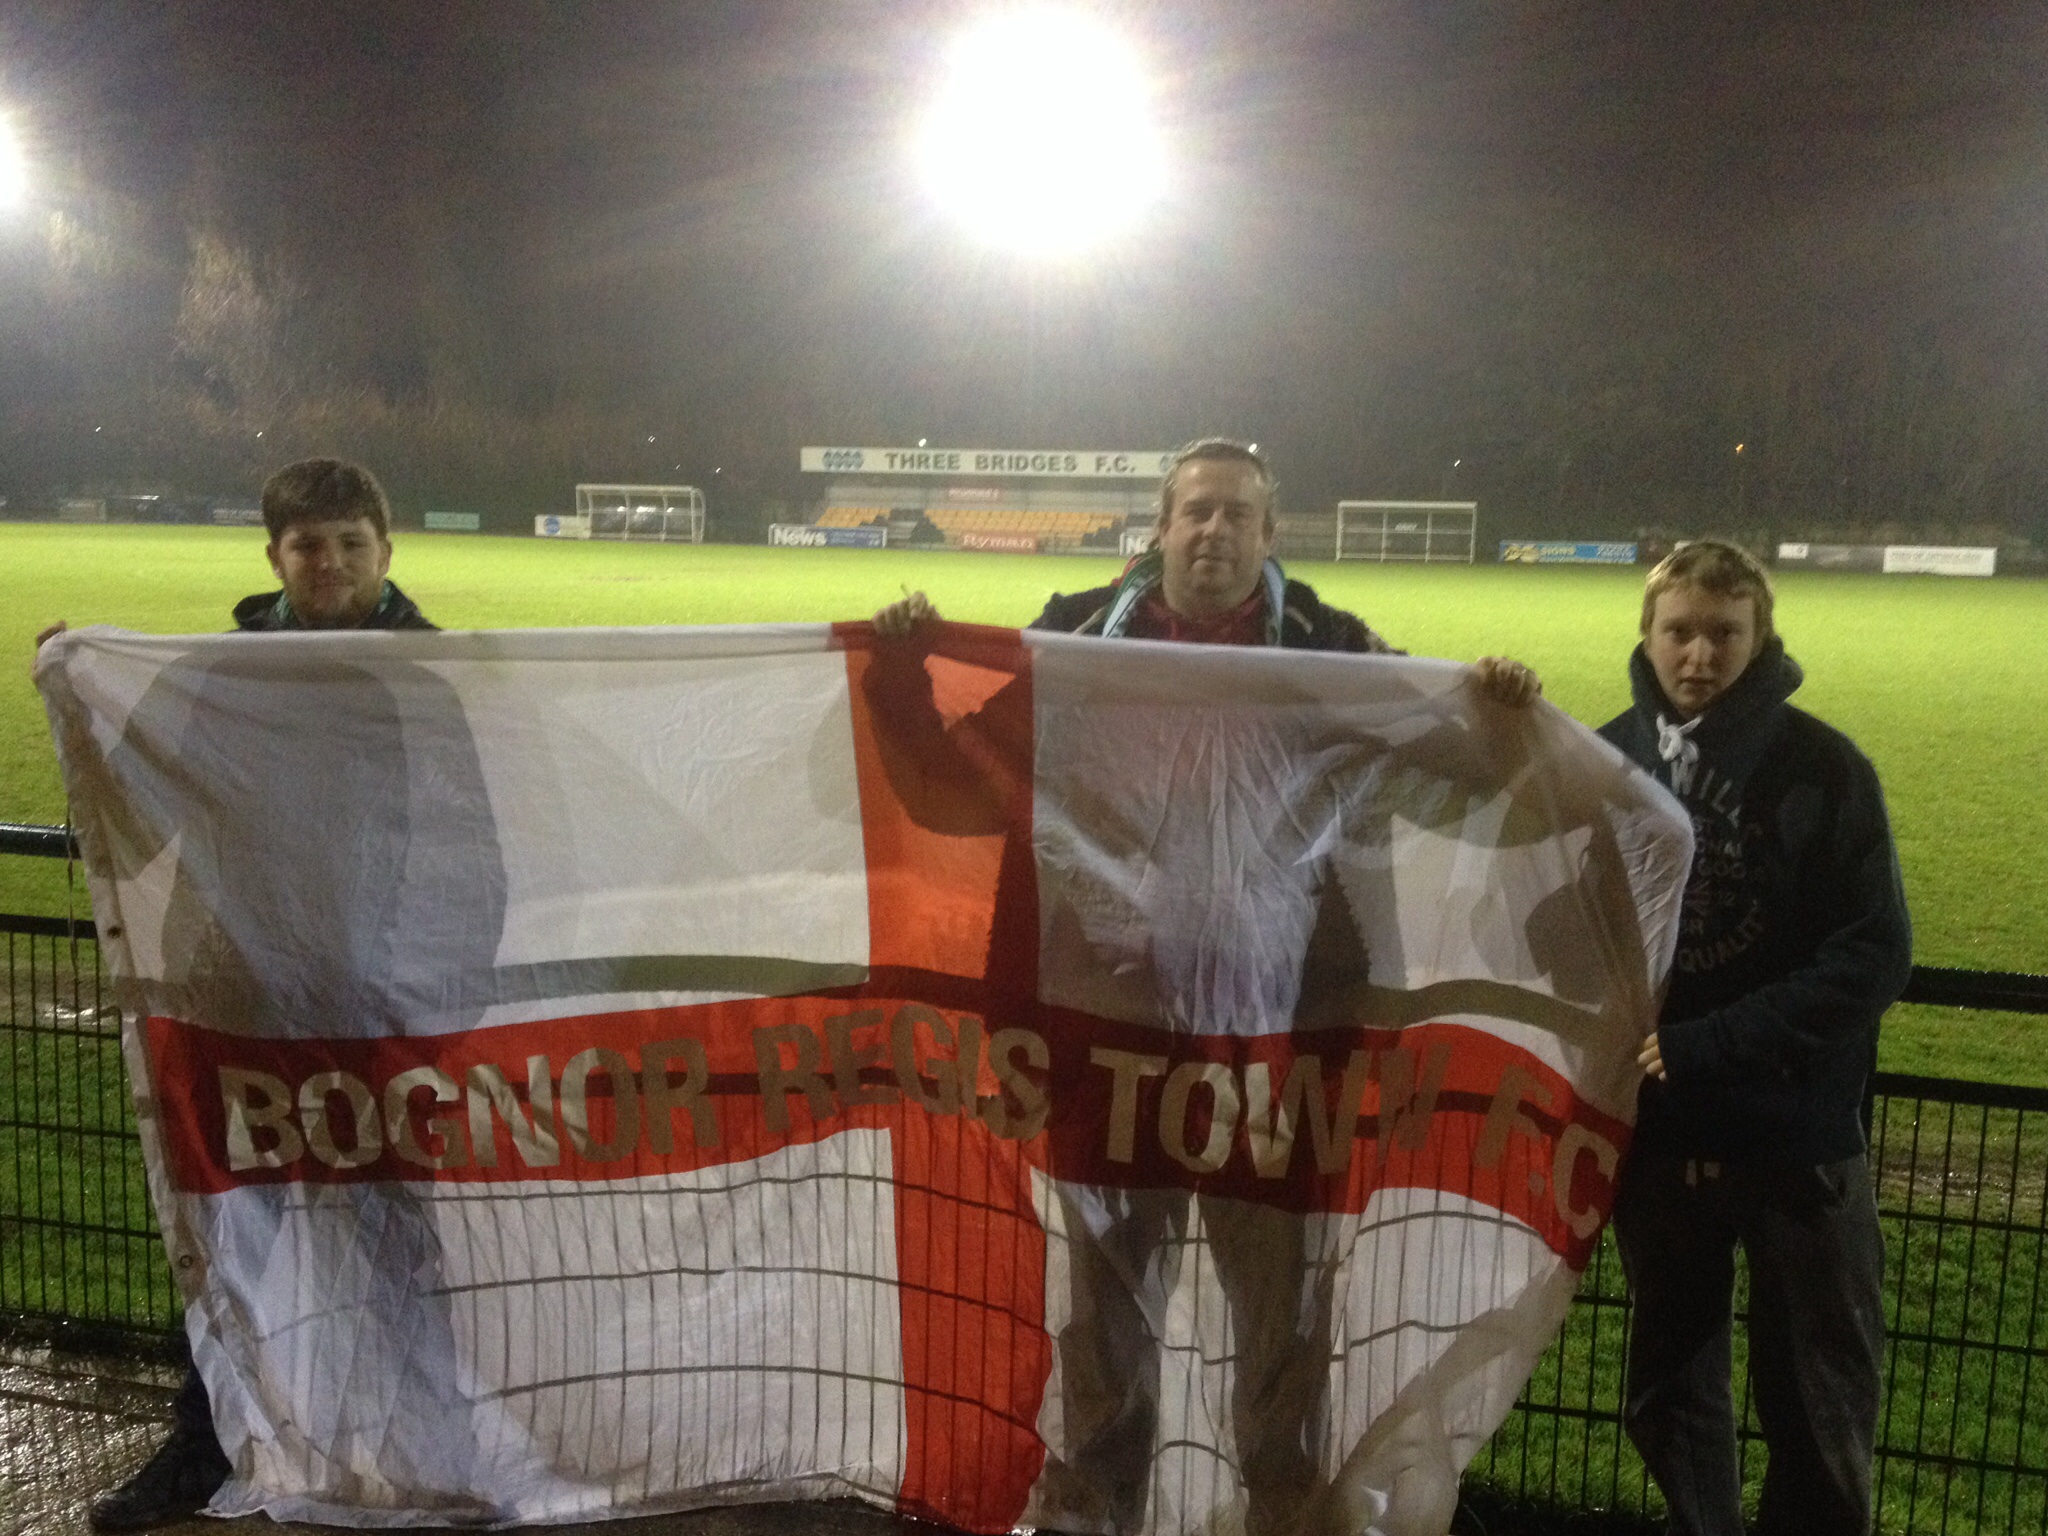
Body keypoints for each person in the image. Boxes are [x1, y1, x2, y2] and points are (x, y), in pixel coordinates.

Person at [871, 439, 1543, 1536]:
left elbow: (1444, 767)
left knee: (1282, 1338)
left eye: (1236, 515)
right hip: (1108, 1046)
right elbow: (964, 782)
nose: (1214, 533)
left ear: (1269, 534)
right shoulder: (1078, 638)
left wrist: (1499, 715)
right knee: (1101, 1336)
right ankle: (1093, 1518)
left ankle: (1282, 1519)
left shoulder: (1331, 649)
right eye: (1196, 513)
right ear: (1159, 524)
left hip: (1276, 1058)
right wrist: (896, 672)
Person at [39, 458, 484, 1531]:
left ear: (386, 548)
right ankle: (203, 1445)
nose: (328, 563)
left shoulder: (431, 677)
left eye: (348, 543)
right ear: (274, 555)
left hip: (380, 1009)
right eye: (306, 545)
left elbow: (477, 844)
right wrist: (79, 692)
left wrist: (445, 990)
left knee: (396, 1241)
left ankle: (441, 1447)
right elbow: (167, 807)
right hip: (242, 999)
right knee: (236, 1230)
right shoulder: (222, 674)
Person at [1597, 540, 1911, 1536]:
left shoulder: (1822, 768)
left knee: (1817, 1404)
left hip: (1792, 1141)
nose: (1698, 654)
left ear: (1759, 636)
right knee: (1666, 1393)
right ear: (1645, 636)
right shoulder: (1605, 759)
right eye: (1678, 630)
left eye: (1721, 633)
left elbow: (1872, 954)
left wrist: (1711, 1043)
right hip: (1662, 1140)